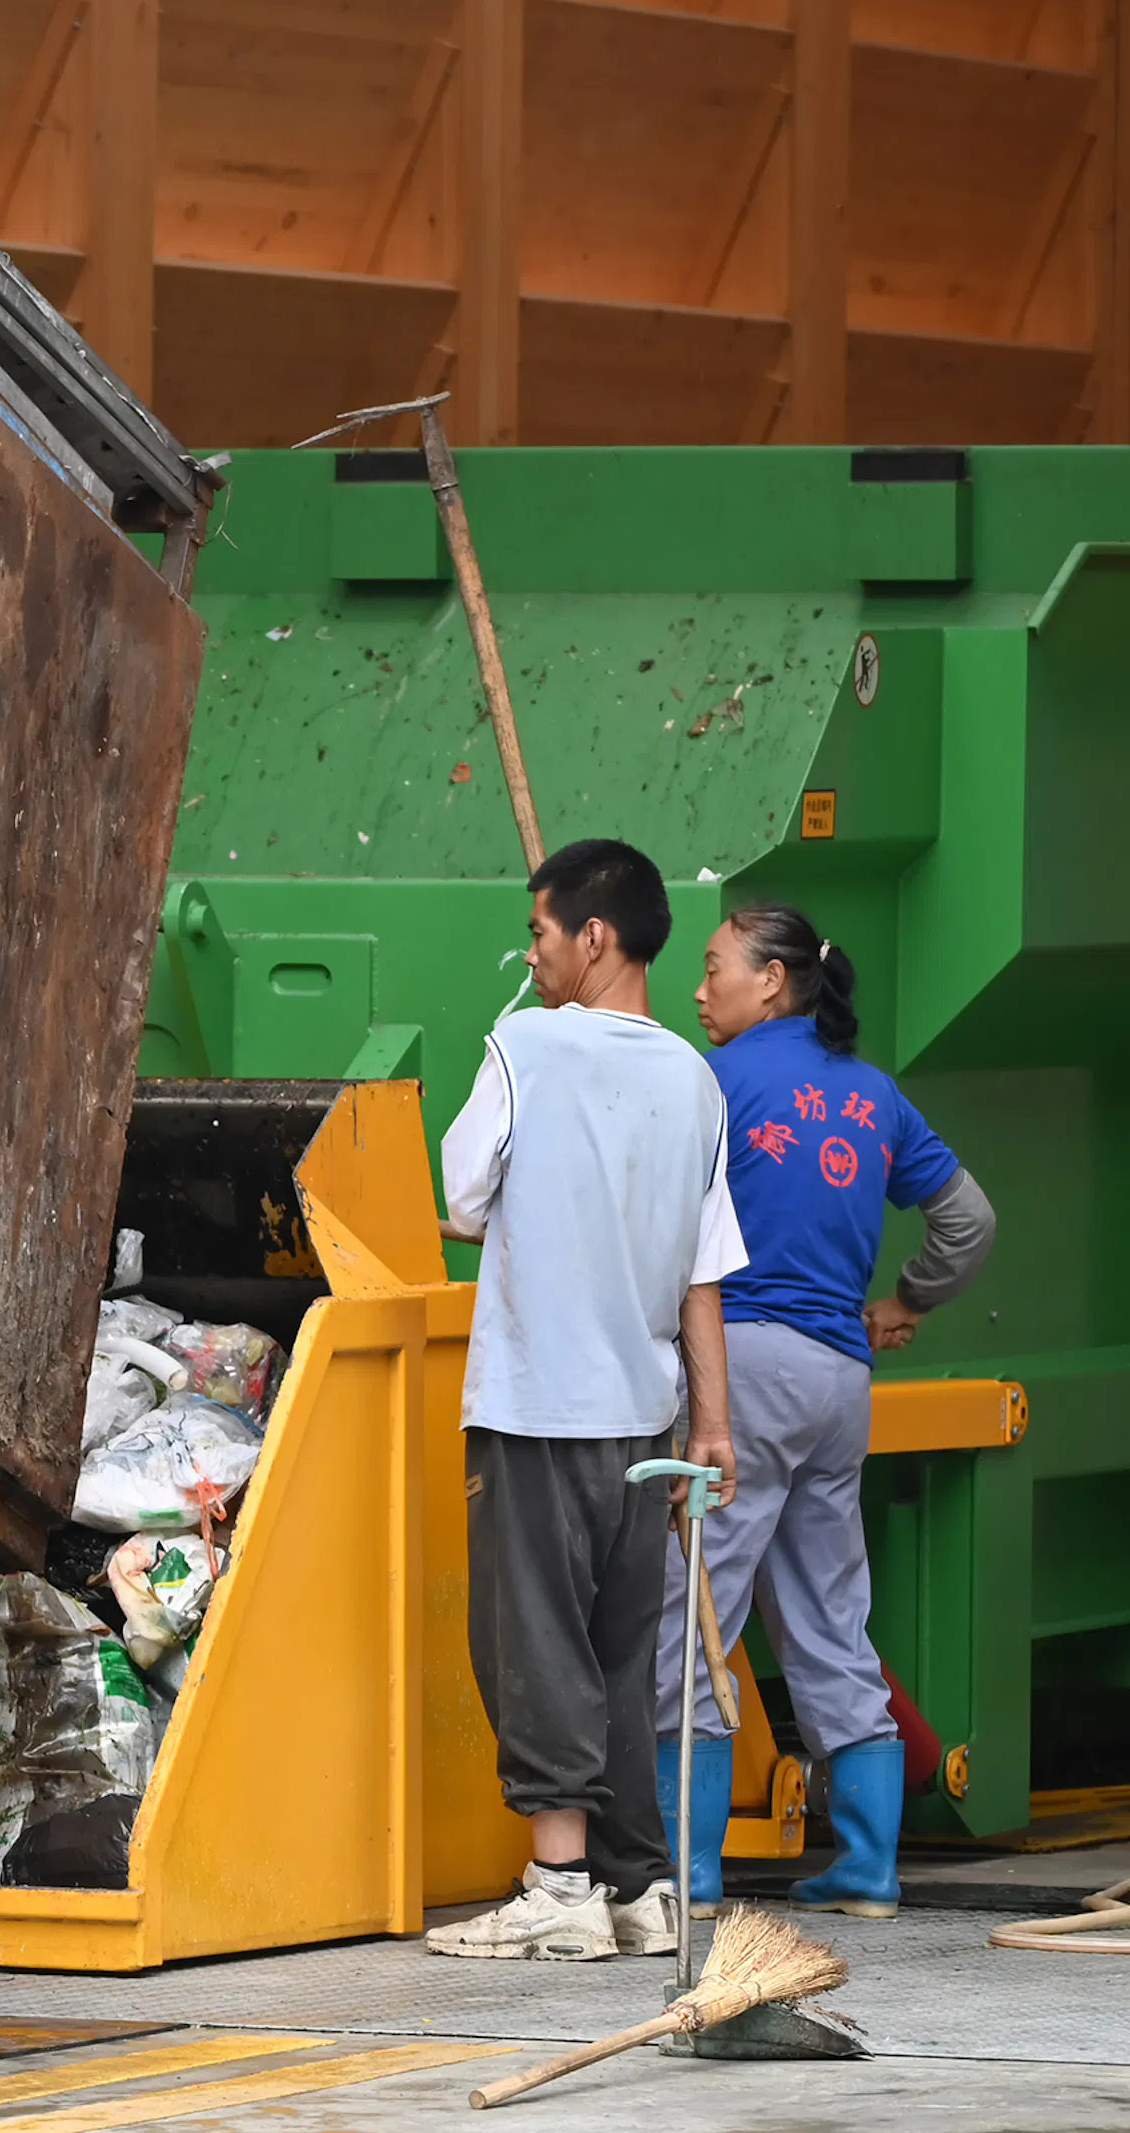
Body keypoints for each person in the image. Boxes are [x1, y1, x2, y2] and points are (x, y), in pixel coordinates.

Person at [424, 838, 746, 1964]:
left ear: (592, 936)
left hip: (536, 1404)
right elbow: (704, 1267)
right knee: (618, 1654)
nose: (533, 952)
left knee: (532, 1643)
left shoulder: (524, 1044)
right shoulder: (696, 1077)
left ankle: (559, 1884)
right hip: (647, 1419)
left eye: (540, 932)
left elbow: (461, 1193)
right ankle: (638, 1885)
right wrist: (711, 1425)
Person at [663, 902, 997, 1919]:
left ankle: (694, 1874)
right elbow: (969, 1219)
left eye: (713, 964)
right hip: (838, 1380)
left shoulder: (712, 1082)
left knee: (695, 1621)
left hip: (741, 1370)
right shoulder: (874, 1094)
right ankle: (866, 1868)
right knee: (828, 1617)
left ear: (771, 979)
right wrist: (907, 1301)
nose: (697, 985)